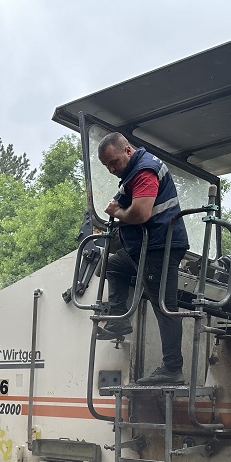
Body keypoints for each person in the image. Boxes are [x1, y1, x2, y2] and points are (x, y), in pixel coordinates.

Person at [96, 132, 189, 385]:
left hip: (160, 247)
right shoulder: (131, 174)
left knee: (164, 307)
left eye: (113, 162)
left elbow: (140, 214)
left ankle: (172, 369)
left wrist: (117, 210)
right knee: (113, 264)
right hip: (145, 248)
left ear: (128, 150)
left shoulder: (144, 170)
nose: (111, 169)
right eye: (107, 166)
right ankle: (119, 321)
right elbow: (125, 203)